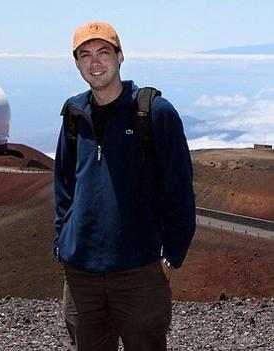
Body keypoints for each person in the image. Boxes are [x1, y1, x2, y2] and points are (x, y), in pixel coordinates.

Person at [53, 21, 195, 351]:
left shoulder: (154, 113)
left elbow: (180, 192)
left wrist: (171, 258)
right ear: (77, 64)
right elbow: (63, 182)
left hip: (139, 271)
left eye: (103, 52)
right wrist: (63, 238)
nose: (95, 62)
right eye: (85, 55)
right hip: (81, 273)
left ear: (120, 57)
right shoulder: (75, 115)